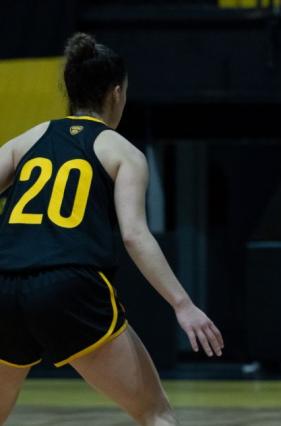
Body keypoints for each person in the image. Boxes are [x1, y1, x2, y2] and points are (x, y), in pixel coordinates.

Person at [0, 33, 223, 426]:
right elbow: (135, 235)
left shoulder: (27, 140)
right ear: (116, 93)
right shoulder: (122, 151)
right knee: (156, 414)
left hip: (5, 284)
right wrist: (182, 304)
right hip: (69, 283)